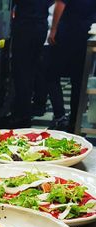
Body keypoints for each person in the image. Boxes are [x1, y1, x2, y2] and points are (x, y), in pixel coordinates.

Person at [47, 0, 96, 132]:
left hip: (68, 30)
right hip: (87, 31)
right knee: (79, 80)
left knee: (51, 74)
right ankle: (74, 121)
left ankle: (60, 116)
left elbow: (60, 4)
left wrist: (53, 29)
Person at [10, 0, 54, 128]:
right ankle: (27, 111)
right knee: (32, 71)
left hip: (25, 27)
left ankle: (22, 117)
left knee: (21, 73)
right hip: (40, 26)